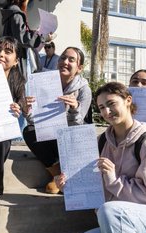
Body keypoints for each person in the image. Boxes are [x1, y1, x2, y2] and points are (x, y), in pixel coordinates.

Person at [56, 82, 146, 233]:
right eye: (102, 107)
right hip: (117, 221)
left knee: (108, 210)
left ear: (128, 100)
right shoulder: (101, 142)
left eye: (111, 104)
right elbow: (90, 186)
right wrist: (69, 186)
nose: (107, 111)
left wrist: (113, 180)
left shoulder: (145, 143)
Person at [23, 47, 92, 194]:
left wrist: (74, 108)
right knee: (29, 131)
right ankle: (57, 173)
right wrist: (28, 111)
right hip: (51, 132)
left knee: (82, 131)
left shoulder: (84, 90)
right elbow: (35, 121)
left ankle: (69, 174)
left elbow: (78, 124)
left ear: (79, 68)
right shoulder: (45, 83)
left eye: (71, 60)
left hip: (71, 135)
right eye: (62, 58)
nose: (65, 62)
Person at [0, 36, 25, 207]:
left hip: (1, 132)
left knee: (0, 139)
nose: (0, 54)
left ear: (16, 61)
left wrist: (18, 108)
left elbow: (23, 104)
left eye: (8, 51)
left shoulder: (18, 81)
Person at [1, 0, 53, 78]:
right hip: (17, 63)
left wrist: (32, 33)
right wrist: (44, 37)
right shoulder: (16, 14)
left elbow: (18, 34)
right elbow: (23, 39)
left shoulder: (11, 11)